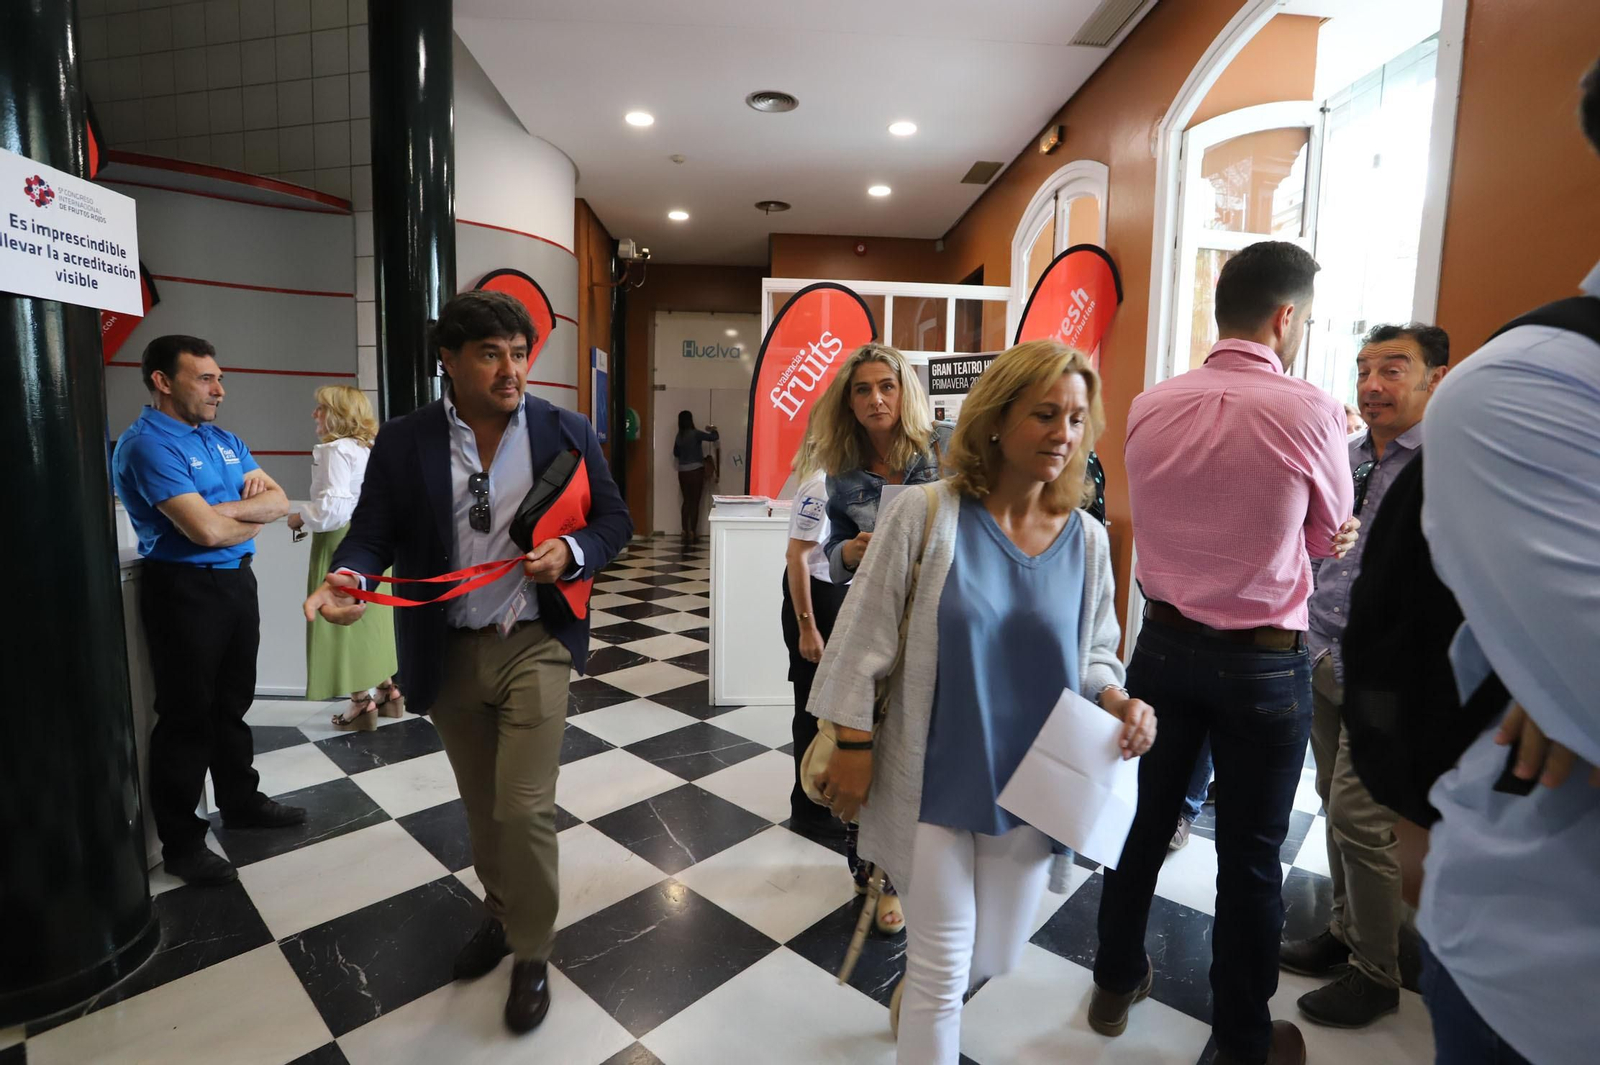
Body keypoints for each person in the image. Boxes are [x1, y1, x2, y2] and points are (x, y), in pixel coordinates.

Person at [809, 340, 1155, 1064]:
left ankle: (922, 998)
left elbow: (1096, 650)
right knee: (940, 963)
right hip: (936, 777)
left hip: (1037, 785)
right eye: (1045, 413)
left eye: (1076, 416)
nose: (1064, 432)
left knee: (993, 953)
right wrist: (851, 746)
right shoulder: (928, 516)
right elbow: (862, 637)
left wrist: (1120, 698)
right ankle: (924, 1012)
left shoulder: (1089, 541)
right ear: (996, 420)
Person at [302, 290, 633, 1035]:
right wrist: (348, 577)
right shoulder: (407, 440)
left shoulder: (564, 429)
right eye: (491, 354)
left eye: (518, 353)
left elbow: (616, 521)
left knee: (523, 807)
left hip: (535, 642)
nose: (511, 369)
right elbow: (371, 531)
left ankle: (532, 950)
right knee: (485, 814)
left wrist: (574, 550)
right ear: (448, 361)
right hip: (446, 648)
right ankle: (499, 909)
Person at [1090, 241, 1358, 1065]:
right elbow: (1325, 536)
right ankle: (1239, 1040)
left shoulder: (1149, 401)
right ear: (1286, 318)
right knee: (1248, 858)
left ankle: (1113, 981)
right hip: (1262, 662)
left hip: (1162, 647)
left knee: (1143, 824)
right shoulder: (1311, 409)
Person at [1411, 59, 1600, 1065]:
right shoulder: (1533, 388)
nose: (1369, 384)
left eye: (1386, 365)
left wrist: (1552, 668)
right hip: (1548, 992)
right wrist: (1550, 670)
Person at [1280, 323, 1448, 1027]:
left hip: (1386, 674)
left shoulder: (1444, 464)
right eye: (1364, 370)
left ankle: (1376, 971)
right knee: (1329, 799)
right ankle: (1349, 932)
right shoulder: (1345, 456)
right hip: (1322, 654)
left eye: (1394, 370)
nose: (1374, 385)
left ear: (1436, 377)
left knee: (1358, 814)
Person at [112, 334, 305, 886]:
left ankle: (241, 803)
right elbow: (204, 529)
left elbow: (278, 501)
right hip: (183, 591)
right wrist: (237, 514)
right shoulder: (148, 444)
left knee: (231, 704)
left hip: (235, 585)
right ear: (163, 381)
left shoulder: (221, 438)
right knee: (186, 717)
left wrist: (229, 514)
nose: (219, 389)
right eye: (205, 378)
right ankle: (182, 843)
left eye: (219, 377)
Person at [813, 341, 948, 936]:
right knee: (864, 743)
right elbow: (826, 555)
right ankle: (874, 877)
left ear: (906, 392)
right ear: (849, 400)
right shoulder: (841, 475)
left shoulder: (942, 451)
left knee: (926, 753)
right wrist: (848, 550)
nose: (875, 399)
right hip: (872, 627)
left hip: (941, 626)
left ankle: (930, 866)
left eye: (886, 387)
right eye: (863, 389)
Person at [287, 385, 401, 728]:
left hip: (340, 542)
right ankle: (386, 690)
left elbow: (332, 510)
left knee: (338, 617)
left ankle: (360, 701)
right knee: (371, 619)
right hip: (372, 540)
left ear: (337, 413)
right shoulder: (368, 448)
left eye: (320, 408)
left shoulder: (335, 450)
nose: (315, 415)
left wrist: (300, 516)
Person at [780, 426, 850, 839]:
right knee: (810, 708)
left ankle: (824, 797)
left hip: (837, 597)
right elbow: (797, 559)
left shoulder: (849, 483)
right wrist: (808, 629)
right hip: (815, 603)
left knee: (833, 708)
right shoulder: (820, 486)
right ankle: (806, 808)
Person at [672, 410, 718, 544]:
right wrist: (713, 429)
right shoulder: (696, 434)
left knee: (686, 501)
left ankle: (684, 530)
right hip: (696, 471)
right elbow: (713, 437)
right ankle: (693, 531)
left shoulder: (678, 436)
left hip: (683, 472)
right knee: (695, 502)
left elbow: (676, 453)